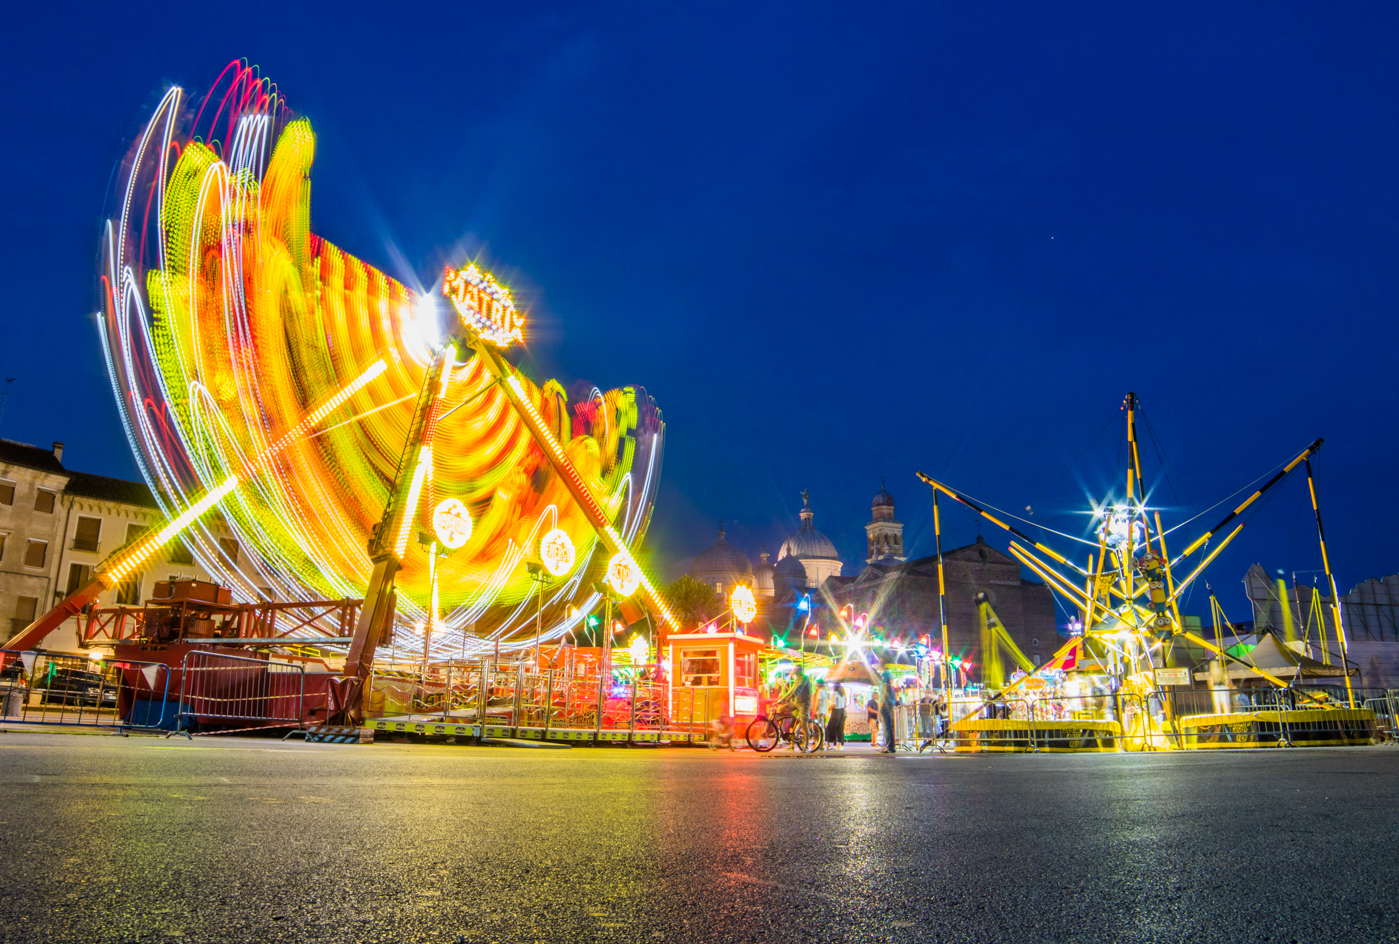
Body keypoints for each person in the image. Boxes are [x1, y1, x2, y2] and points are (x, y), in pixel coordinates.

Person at [878, 670, 897, 753]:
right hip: (889, 705)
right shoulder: (891, 686)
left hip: (885, 705)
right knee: (889, 726)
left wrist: (880, 706)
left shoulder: (885, 685)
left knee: (887, 726)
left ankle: (890, 746)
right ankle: (890, 745)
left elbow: (883, 695)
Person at [826, 682, 847, 749]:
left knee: (830, 728)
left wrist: (828, 708)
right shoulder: (843, 694)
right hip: (842, 712)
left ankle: (829, 743)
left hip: (836, 712)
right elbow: (844, 704)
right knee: (840, 728)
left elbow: (834, 704)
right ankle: (840, 744)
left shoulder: (834, 694)